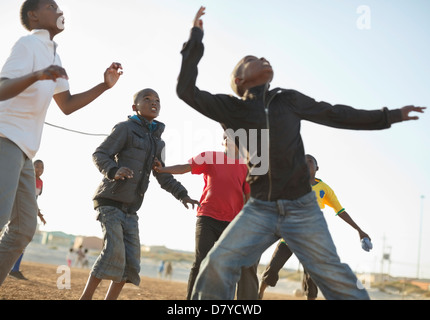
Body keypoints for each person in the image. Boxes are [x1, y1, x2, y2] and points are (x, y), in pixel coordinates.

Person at [176, 7, 425, 300]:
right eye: (251, 60)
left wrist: (389, 116)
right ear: (240, 81)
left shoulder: (288, 100)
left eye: (263, 57)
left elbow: (336, 114)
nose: (262, 59)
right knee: (216, 265)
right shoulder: (232, 108)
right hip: (260, 208)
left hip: (302, 207)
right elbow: (186, 91)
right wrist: (196, 38)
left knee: (336, 276)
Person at [0, 0, 123, 286]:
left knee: (23, 230)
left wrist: (104, 85)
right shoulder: (28, 44)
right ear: (33, 15)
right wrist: (37, 75)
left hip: (26, 153)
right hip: (5, 138)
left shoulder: (53, 54)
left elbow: (66, 104)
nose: (59, 11)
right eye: (51, 7)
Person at [79, 88, 200, 300]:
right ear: (135, 107)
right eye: (147, 99)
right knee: (113, 252)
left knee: (130, 263)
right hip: (110, 200)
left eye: (157, 100)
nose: (154, 102)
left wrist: (182, 194)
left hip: (131, 208)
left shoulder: (158, 142)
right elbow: (99, 153)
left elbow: (162, 175)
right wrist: (114, 171)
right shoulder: (125, 128)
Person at [153, 132, 258, 300]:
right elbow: (184, 167)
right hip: (207, 217)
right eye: (225, 136)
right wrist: (162, 168)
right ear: (221, 141)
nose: (227, 139)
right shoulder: (209, 157)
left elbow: (248, 197)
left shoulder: (247, 166)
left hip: (232, 223)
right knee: (201, 261)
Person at [258, 154, 371, 300]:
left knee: (312, 277)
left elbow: (341, 211)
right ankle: (259, 293)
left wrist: (359, 230)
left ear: (317, 168)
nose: (306, 163)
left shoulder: (325, 189)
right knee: (273, 268)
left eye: (310, 161)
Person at [9, 159, 46, 280]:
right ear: (32, 167)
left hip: (30, 213)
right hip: (20, 209)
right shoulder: (26, 178)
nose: (39, 169)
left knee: (23, 240)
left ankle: (15, 269)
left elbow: (34, 200)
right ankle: (12, 268)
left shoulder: (40, 182)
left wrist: (40, 215)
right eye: (36, 166)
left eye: (41, 167)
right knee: (14, 237)